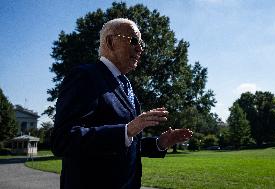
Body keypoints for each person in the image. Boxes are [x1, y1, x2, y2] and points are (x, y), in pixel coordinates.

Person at [51, 18, 193, 189]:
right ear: (110, 42)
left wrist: (159, 143)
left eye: (141, 43)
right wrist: (128, 130)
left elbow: (125, 144)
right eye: (134, 41)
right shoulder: (85, 76)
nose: (140, 48)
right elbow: (63, 140)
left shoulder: (126, 84)